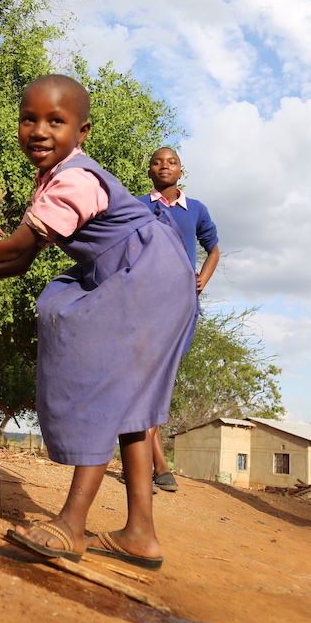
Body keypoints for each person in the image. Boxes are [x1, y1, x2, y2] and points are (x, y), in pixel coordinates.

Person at [0, 74, 198, 569]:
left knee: (104, 387)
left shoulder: (75, 179)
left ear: (83, 132)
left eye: (56, 120)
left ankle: (71, 525)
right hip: (154, 278)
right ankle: (141, 533)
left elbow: (15, 247)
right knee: (133, 405)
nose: (39, 130)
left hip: (145, 280)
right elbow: (19, 262)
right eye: (28, 119)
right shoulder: (54, 180)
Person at [135, 147, 220, 493]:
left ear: (181, 172)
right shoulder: (138, 205)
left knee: (161, 379)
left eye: (171, 162)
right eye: (157, 162)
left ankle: (150, 463)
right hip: (143, 304)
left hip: (182, 304)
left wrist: (203, 277)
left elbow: (214, 247)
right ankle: (156, 464)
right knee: (145, 379)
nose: (164, 166)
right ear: (150, 171)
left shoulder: (196, 209)